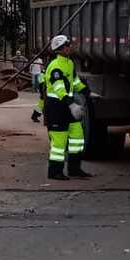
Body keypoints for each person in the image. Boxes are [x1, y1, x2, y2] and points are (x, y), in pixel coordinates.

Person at [43, 34, 91, 180]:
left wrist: (85, 91)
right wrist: (71, 105)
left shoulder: (69, 63)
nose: (70, 47)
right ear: (61, 48)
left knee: (77, 136)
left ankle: (74, 169)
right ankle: (55, 172)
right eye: (68, 45)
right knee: (59, 142)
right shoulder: (55, 66)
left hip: (68, 105)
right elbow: (59, 89)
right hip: (57, 107)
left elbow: (74, 81)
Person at [30, 56, 44, 123]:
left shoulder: (42, 73)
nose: (41, 67)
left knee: (41, 105)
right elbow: (41, 84)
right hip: (45, 91)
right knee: (41, 105)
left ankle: (35, 116)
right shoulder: (42, 74)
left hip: (45, 91)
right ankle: (35, 116)